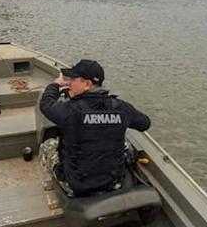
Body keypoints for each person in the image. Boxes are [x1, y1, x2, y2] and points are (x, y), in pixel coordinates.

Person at [39, 59, 151, 197]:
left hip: (77, 186)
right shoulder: (121, 107)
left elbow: (46, 104)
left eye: (73, 79)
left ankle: (52, 191)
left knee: (47, 145)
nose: (69, 83)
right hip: (113, 182)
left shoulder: (70, 110)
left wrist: (55, 84)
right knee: (125, 143)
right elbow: (145, 123)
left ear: (87, 84)